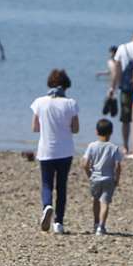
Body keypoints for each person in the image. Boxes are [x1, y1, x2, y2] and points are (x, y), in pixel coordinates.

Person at [31, 68, 80, 234]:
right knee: (61, 186)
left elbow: (35, 127)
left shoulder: (39, 102)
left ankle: (47, 206)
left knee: (46, 183)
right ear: (66, 86)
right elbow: (75, 129)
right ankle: (59, 222)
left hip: (46, 150)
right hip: (65, 151)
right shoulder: (71, 103)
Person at [83, 118, 124, 235]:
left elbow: (85, 164)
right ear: (111, 132)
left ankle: (96, 223)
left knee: (95, 201)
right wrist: (117, 179)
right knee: (105, 202)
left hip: (95, 178)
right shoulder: (114, 148)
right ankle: (101, 226)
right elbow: (118, 166)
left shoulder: (92, 146)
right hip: (108, 178)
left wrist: (89, 174)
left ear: (96, 132)